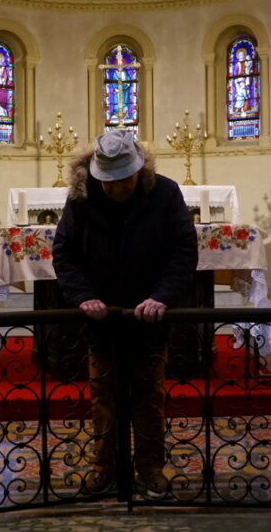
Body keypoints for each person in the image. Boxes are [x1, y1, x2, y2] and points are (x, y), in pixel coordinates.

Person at [52, 128, 197, 498]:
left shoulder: (164, 192)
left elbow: (182, 250)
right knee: (103, 396)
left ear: (139, 171)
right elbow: (65, 252)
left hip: (148, 317)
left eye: (124, 180)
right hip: (101, 318)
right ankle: (104, 467)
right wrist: (83, 296)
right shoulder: (81, 197)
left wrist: (162, 296)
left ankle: (150, 468)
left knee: (148, 396)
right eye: (109, 182)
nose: (116, 189)